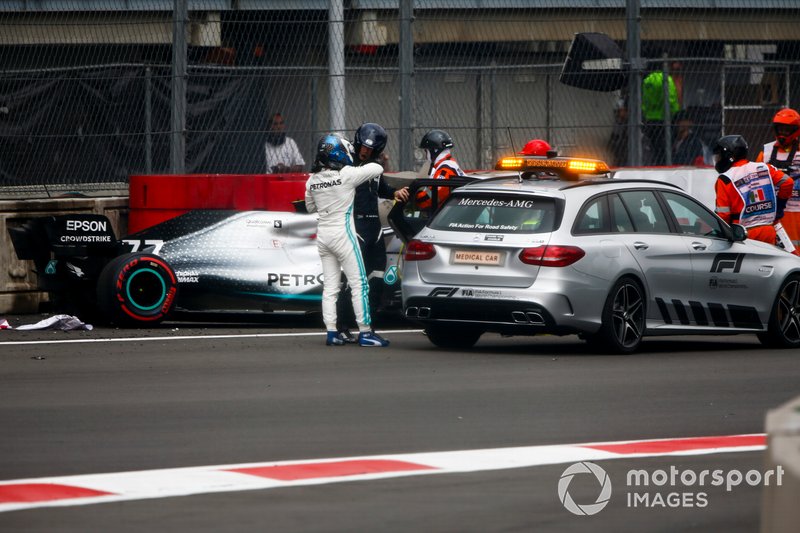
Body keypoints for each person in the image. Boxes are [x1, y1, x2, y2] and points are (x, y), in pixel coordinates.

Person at [304, 133, 390, 347]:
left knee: (331, 287)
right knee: (359, 283)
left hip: (323, 237)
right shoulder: (347, 174)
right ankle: (366, 332)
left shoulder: (312, 180)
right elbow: (376, 169)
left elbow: (310, 207)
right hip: (343, 235)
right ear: (337, 152)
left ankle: (332, 332)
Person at [334, 123, 409, 342]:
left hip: (374, 230)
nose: (365, 151)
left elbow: (382, 189)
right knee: (351, 281)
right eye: (363, 147)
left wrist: (396, 192)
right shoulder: (345, 165)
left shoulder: (375, 169)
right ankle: (342, 326)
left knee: (376, 279)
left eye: (370, 148)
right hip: (354, 228)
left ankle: (368, 327)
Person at [713, 134, 793, 246]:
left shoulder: (725, 179)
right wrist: (779, 207)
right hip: (769, 230)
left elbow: (723, 215)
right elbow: (788, 182)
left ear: (729, 156)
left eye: (719, 156)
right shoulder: (764, 167)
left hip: (743, 234)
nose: (718, 160)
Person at [756, 108, 800, 252]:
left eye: (787, 130)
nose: (783, 133)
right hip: (771, 213)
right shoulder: (765, 152)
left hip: (796, 210)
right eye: (780, 129)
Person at [415, 129, 465, 209]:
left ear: (434, 151)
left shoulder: (444, 171)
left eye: (426, 151)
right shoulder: (450, 164)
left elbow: (425, 201)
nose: (425, 155)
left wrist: (415, 194)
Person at [642, 66, 680, 165]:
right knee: (665, 149)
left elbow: (643, 101)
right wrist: (674, 113)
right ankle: (664, 164)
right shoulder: (666, 79)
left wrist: (647, 113)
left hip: (650, 119)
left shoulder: (647, 80)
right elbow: (671, 99)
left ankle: (655, 163)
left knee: (654, 147)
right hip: (664, 119)